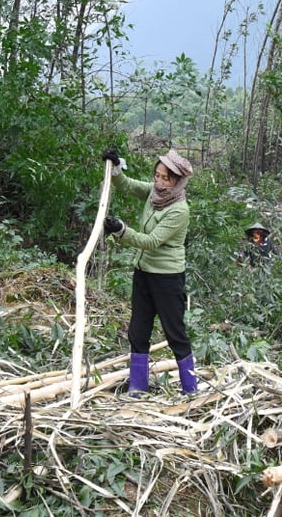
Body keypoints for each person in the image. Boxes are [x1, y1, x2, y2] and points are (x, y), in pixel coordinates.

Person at [101, 147, 198, 396]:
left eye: (165, 178)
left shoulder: (179, 210)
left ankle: (191, 389)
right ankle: (137, 387)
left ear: (177, 181)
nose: (159, 181)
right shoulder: (154, 193)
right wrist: (115, 168)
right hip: (143, 273)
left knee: (175, 332)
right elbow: (129, 185)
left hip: (167, 279)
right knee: (138, 329)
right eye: (157, 175)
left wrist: (122, 230)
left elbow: (152, 241)